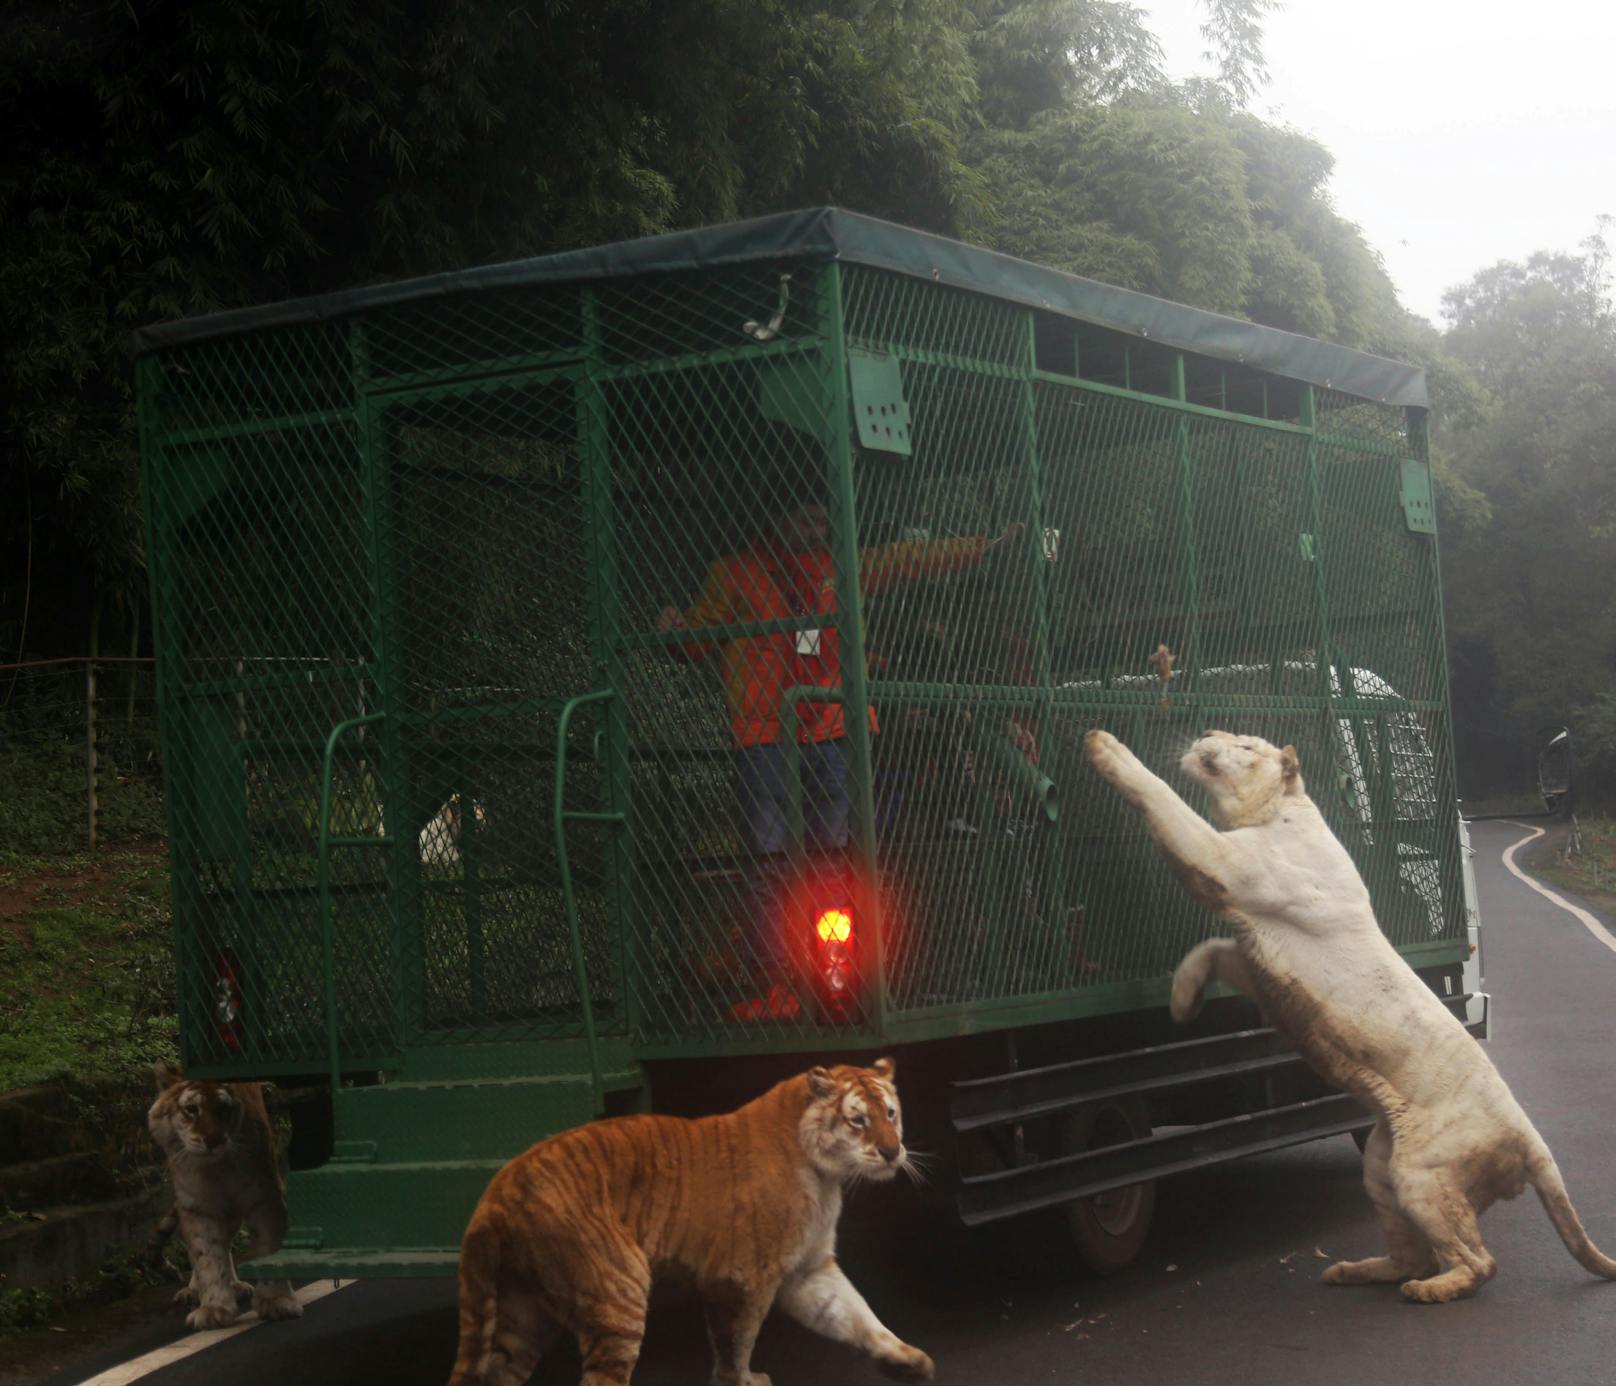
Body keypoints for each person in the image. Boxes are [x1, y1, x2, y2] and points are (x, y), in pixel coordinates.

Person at [658, 499, 1024, 1007]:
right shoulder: (735, 573)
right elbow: (695, 640)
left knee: (832, 857)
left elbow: (904, 560)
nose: (815, 532)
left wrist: (982, 548)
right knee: (770, 859)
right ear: (774, 519)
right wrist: (676, 632)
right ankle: (777, 981)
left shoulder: (836, 567)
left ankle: (833, 975)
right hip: (765, 738)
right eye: (804, 521)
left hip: (831, 731)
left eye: (822, 523)